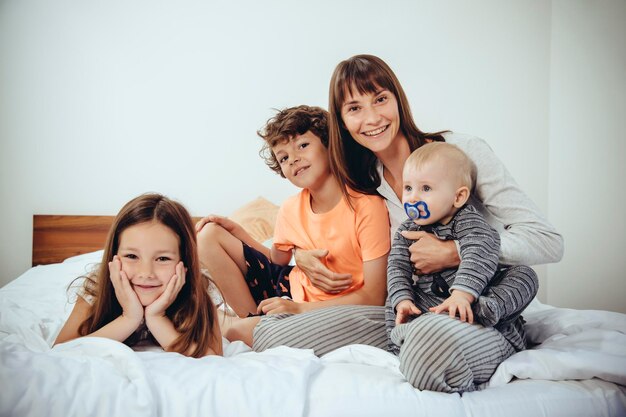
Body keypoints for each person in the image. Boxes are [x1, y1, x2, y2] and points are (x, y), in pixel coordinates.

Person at [251, 54, 564, 393]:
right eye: (354, 108)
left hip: (478, 312)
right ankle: (412, 341)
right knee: (274, 332)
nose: (372, 118)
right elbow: (331, 235)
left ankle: (430, 349)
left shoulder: (461, 152)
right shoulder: (365, 182)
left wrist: (456, 252)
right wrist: (299, 254)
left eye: (380, 99)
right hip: (410, 311)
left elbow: (548, 241)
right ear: (341, 121)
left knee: (428, 345)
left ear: (398, 100)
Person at [195, 105, 389, 327]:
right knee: (208, 235)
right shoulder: (290, 208)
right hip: (288, 287)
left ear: (329, 146)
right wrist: (237, 232)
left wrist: (299, 309)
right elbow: (277, 260)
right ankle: (251, 322)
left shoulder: (367, 207)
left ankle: (245, 328)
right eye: (283, 158)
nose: (293, 159)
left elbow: (375, 297)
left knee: (260, 325)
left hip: (328, 308)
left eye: (303, 145)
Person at [386, 141, 538, 358]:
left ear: (458, 197)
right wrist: (402, 300)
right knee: (394, 297)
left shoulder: (468, 222)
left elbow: (480, 251)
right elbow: (396, 266)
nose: (412, 197)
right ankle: (401, 339)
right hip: (431, 304)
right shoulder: (407, 229)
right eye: (408, 188)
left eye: (426, 188)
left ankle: (488, 311)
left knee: (525, 275)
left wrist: (463, 295)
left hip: (478, 296)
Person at [54, 193, 223, 358]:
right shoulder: (97, 287)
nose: (146, 273)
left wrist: (157, 317)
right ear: (114, 256)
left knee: (234, 325)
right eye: (132, 256)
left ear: (184, 261)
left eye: (162, 258)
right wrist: (129, 318)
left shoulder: (200, 287)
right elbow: (60, 353)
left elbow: (214, 358)